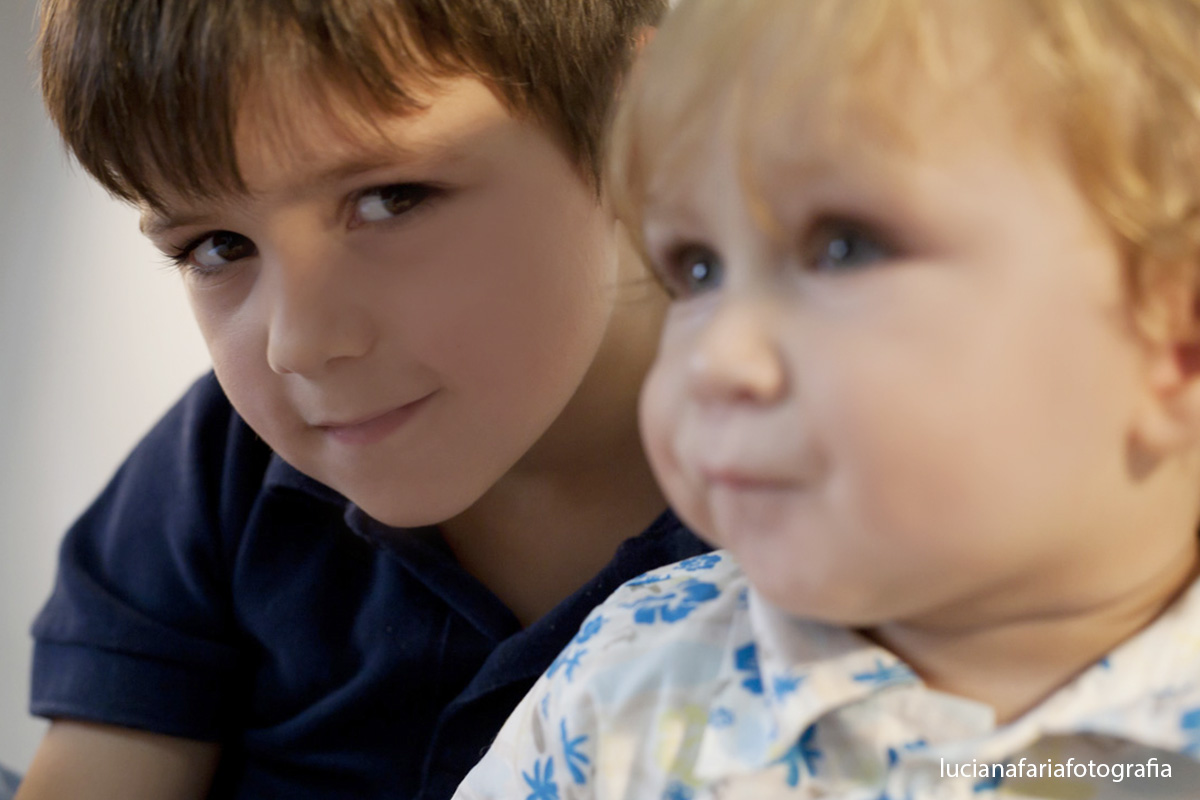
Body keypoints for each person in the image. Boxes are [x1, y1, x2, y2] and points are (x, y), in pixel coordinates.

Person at [452, 0, 1200, 797]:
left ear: (1174, 344)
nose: (716, 359)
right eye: (697, 269)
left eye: (845, 248)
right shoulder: (630, 678)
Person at [17, 1, 709, 798]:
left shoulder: (823, 487)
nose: (298, 343)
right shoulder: (215, 470)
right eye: (218, 247)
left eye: (391, 198)